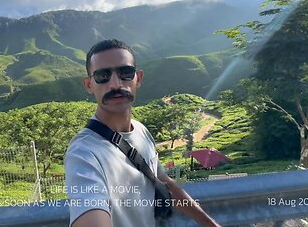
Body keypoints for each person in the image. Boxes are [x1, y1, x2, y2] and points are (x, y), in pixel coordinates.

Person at [64, 39, 220, 227]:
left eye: (125, 73)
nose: (115, 84)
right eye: (102, 76)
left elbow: (163, 181)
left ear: (138, 78)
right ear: (89, 85)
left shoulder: (141, 130)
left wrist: (211, 224)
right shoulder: (83, 153)